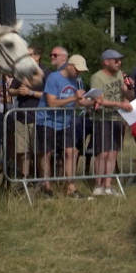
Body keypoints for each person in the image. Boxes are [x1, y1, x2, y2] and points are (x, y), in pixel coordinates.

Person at [35, 54, 97, 198]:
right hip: (47, 121)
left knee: (72, 151)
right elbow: (52, 103)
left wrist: (94, 102)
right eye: (77, 69)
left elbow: (79, 102)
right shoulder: (54, 78)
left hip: (65, 121)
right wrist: (74, 97)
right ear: (69, 65)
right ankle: (46, 186)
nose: (79, 73)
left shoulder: (75, 80)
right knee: (46, 153)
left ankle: (71, 187)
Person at [89, 49, 132, 197]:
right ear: (106, 62)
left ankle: (108, 185)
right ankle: (97, 185)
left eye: (120, 60)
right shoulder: (97, 77)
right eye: (116, 60)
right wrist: (119, 104)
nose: (119, 63)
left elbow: (129, 95)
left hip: (117, 119)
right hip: (103, 119)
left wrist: (129, 86)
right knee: (103, 153)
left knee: (113, 153)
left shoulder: (120, 74)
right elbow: (99, 100)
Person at [6, 45, 47, 180]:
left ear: (37, 56)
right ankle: (25, 180)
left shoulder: (46, 72)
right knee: (22, 152)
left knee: (40, 152)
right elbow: (10, 90)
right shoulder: (21, 72)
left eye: (29, 55)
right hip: (22, 117)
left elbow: (50, 95)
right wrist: (17, 92)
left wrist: (31, 93)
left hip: (40, 118)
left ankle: (43, 182)